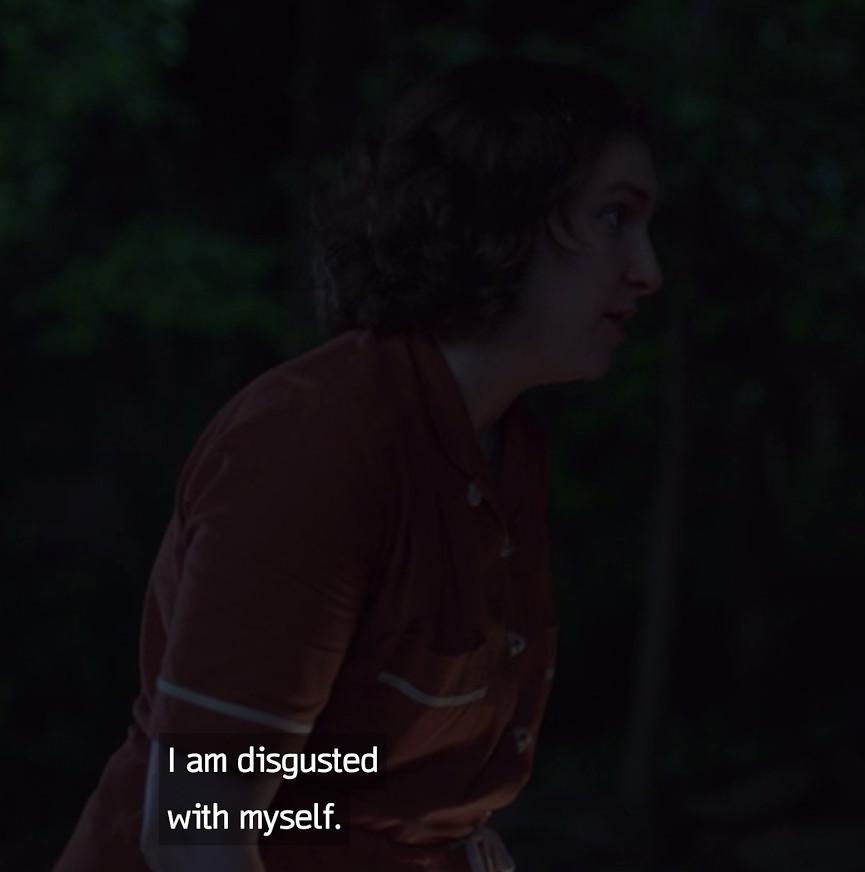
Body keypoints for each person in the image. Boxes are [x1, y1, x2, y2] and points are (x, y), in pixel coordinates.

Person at [54, 56, 661, 872]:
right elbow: (199, 826)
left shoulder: (499, 448)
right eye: (615, 216)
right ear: (502, 216)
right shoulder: (319, 439)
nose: (648, 270)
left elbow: (361, 778)